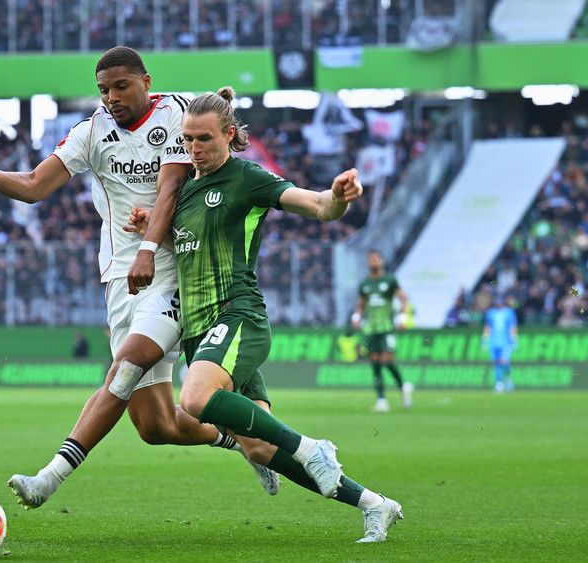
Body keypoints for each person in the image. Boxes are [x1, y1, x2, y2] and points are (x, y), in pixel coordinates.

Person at [0, 46, 277, 510]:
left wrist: (148, 250)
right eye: (104, 90)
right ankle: (241, 439)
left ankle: (49, 478)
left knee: (126, 366)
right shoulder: (91, 131)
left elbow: (169, 189)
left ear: (146, 81)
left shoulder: (175, 113)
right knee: (156, 426)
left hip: (171, 272)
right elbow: (34, 186)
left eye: (121, 86)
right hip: (121, 281)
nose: (111, 97)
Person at [128, 87, 403, 543]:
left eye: (204, 138)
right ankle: (375, 505)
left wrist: (338, 197)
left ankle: (312, 448)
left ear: (228, 134)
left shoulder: (246, 177)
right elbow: (194, 250)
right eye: (188, 139)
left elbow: (317, 206)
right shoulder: (186, 191)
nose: (194, 148)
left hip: (237, 315)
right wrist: (155, 233)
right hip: (200, 332)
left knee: (194, 400)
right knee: (257, 447)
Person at [352, 250, 414, 413]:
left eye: (376, 259)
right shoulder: (365, 284)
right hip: (370, 329)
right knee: (375, 363)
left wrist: (402, 317)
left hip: (386, 328)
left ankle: (403, 388)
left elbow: (403, 299)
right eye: (370, 259)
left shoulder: (390, 280)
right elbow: (360, 305)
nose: (373, 262)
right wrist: (356, 316)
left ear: (381, 261)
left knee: (387, 360)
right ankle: (381, 400)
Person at [483, 296, 518, 393]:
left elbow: (512, 326)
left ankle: (507, 378)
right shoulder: (490, 313)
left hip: (505, 342)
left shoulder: (509, 312)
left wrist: (514, 340)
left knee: (504, 361)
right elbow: (488, 327)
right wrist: (485, 339)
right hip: (494, 342)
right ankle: (499, 382)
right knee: (496, 362)